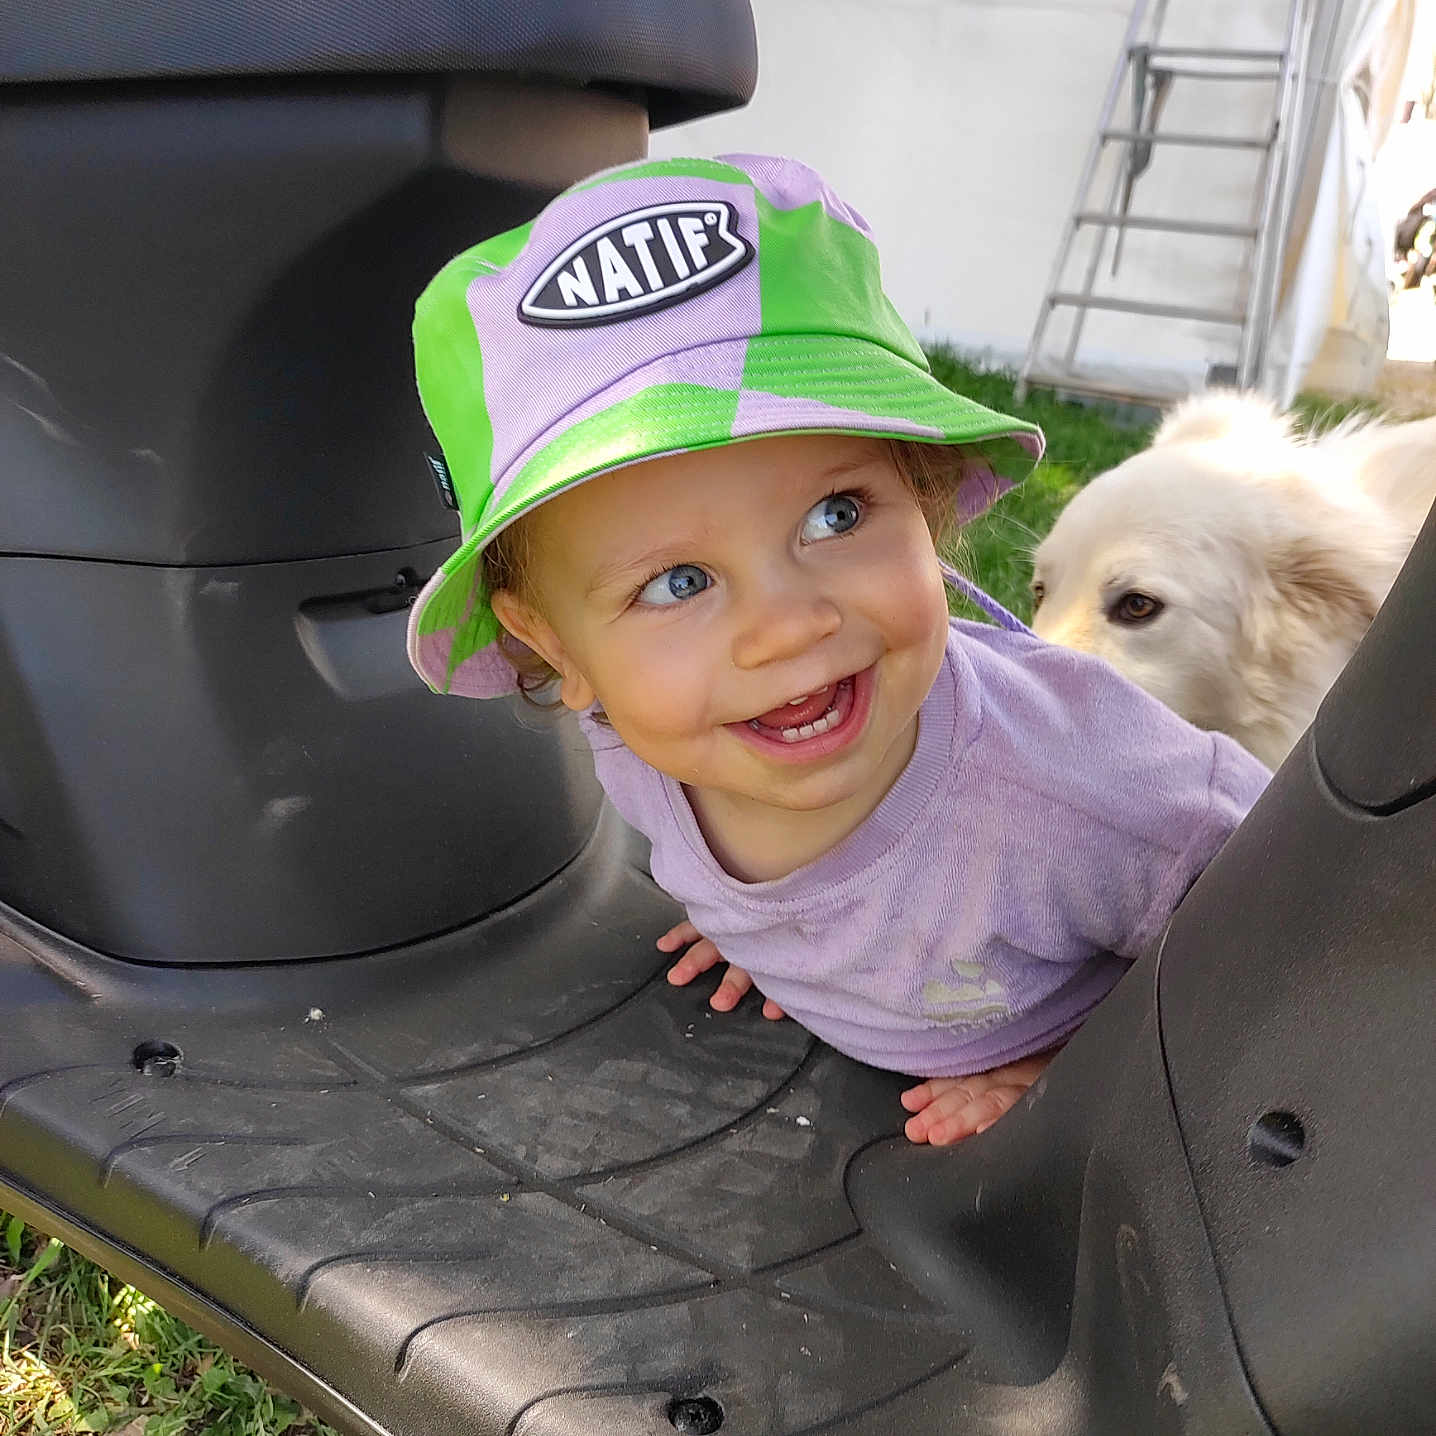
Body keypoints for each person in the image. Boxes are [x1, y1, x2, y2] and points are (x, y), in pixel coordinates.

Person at [406, 153, 1270, 1146]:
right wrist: (772, 930)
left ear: (923, 498)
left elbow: (1296, 905)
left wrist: (1086, 1073)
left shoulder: (1077, 790)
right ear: (560, 648)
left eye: (835, 514)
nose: (787, 625)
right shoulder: (636, 742)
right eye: (677, 583)